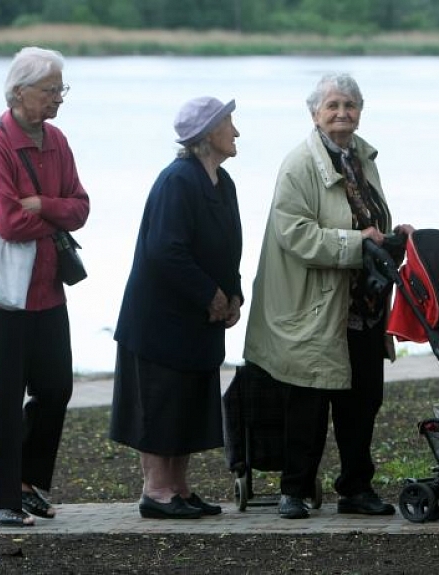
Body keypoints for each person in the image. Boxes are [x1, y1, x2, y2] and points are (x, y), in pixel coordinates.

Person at [243, 72, 413, 519]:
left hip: (364, 306)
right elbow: (295, 234)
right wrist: (359, 243)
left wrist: (395, 236)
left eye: (350, 106)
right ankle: (294, 491)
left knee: (362, 405)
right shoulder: (299, 164)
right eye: (333, 106)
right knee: (308, 405)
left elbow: (368, 218)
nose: (343, 113)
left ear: (361, 111)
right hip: (316, 305)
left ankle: (356, 489)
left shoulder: (363, 157)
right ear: (314, 113)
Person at [0, 46, 90, 527]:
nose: (59, 98)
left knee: (57, 387)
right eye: (51, 89)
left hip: (46, 289)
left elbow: (80, 207)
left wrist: (41, 203)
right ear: (19, 92)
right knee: (4, 397)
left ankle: (28, 482)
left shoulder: (57, 140)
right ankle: (1, 501)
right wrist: (45, 209)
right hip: (0, 294)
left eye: (61, 89)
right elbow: (7, 222)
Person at [110, 96, 242, 519]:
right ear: (207, 136)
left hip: (199, 320)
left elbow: (230, 248)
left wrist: (234, 292)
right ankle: (157, 491)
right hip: (161, 320)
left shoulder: (223, 182)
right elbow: (165, 250)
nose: (236, 132)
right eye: (229, 124)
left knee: (189, 401)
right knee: (162, 402)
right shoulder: (177, 180)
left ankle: (180, 488)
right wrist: (210, 294)